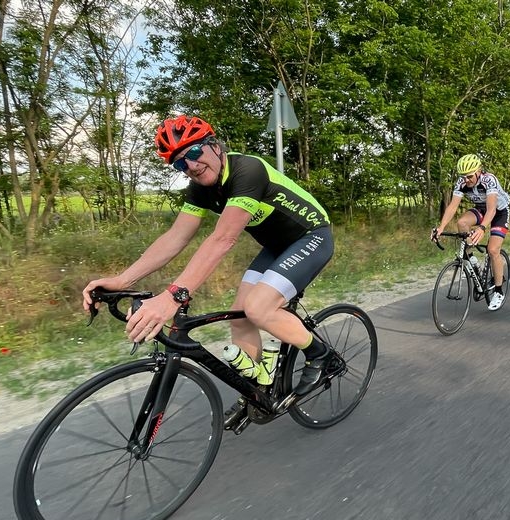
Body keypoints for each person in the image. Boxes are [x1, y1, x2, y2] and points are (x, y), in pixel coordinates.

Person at [81, 115, 335, 406]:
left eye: (193, 152)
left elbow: (223, 239)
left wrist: (173, 297)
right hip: (276, 246)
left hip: (311, 237)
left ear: (215, 145)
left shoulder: (247, 170)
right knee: (239, 316)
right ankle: (258, 390)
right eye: (180, 164)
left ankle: (320, 354)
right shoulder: (200, 189)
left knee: (258, 308)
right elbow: (176, 237)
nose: (191, 165)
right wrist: (122, 280)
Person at [431, 154, 510, 311]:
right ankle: (471, 259)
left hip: (499, 212)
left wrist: (482, 228)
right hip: (481, 209)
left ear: (478, 171)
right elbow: (453, 207)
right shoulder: (461, 182)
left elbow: (492, 209)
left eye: (469, 176)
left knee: (493, 250)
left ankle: (498, 290)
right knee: (462, 223)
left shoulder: (489, 180)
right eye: (463, 177)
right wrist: (441, 227)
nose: (466, 180)